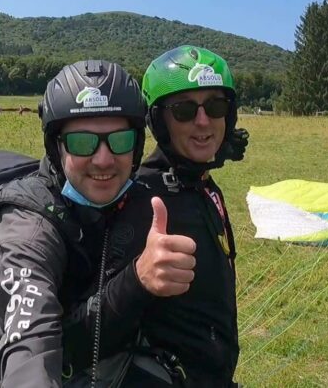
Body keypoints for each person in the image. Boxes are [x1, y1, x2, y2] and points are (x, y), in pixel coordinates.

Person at [0, 59, 154, 386]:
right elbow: (30, 336)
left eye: (119, 140)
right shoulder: (28, 230)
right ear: (56, 147)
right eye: (82, 142)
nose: (104, 159)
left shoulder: (126, 201)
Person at [102, 45, 249, 386]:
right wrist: (138, 279)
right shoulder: (140, 196)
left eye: (215, 106)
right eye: (184, 110)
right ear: (159, 121)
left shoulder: (202, 185)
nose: (203, 121)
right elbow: (96, 325)